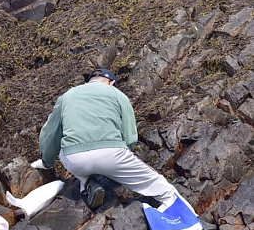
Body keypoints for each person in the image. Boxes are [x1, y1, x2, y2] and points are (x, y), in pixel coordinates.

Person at [31, 69, 197, 214]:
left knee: (66, 151)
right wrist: (124, 160)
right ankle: (182, 212)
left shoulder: (67, 96)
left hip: (75, 159)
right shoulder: (118, 95)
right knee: (156, 183)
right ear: (111, 82)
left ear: (90, 80)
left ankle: (86, 182)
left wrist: (47, 162)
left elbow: (49, 134)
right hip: (111, 155)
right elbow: (130, 136)